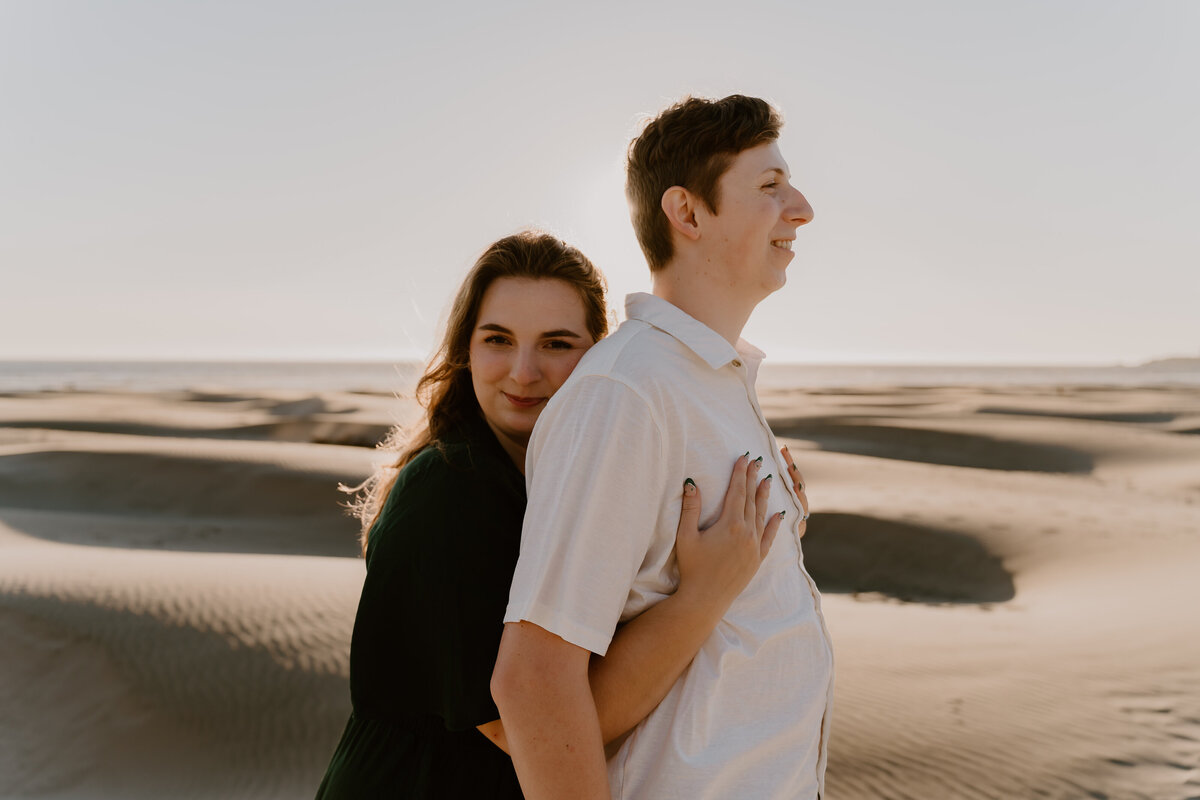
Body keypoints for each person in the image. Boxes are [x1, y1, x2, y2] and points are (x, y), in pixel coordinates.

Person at [314, 230, 784, 799]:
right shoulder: (450, 493)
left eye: (557, 344)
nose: (523, 372)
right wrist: (704, 596)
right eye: (498, 340)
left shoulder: (554, 481)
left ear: (598, 355)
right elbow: (534, 727)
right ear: (467, 350)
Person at [492, 96, 832, 800]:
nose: (799, 208)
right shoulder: (627, 394)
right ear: (687, 212)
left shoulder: (712, 383)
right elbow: (531, 679)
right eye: (769, 186)